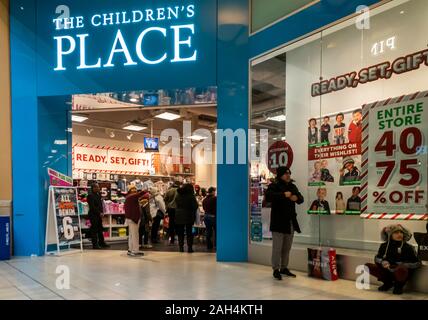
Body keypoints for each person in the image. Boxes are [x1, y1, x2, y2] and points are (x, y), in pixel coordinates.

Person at [265, 166, 304, 280]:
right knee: (277, 248)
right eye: (285, 174)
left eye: (289, 173)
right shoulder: (274, 185)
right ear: (280, 175)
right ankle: (275, 269)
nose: (288, 175)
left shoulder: (292, 186)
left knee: (287, 248)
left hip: (290, 222)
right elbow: (268, 197)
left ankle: (284, 267)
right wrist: (283, 195)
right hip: (278, 222)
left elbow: (301, 199)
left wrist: (296, 198)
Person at [365, 224, 421, 295]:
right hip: (387, 270)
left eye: (401, 232)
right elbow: (378, 258)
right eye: (396, 232)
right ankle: (388, 283)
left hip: (400, 271)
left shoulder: (408, 247)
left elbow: (417, 263)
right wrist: (383, 262)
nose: (399, 234)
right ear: (389, 235)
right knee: (368, 266)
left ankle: (399, 286)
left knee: (401, 269)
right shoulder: (384, 246)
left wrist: (401, 264)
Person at [175, 184, 199, 253]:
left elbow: (176, 203)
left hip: (179, 215)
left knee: (180, 232)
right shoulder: (191, 196)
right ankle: (189, 248)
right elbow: (195, 206)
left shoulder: (178, 195)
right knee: (189, 232)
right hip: (189, 215)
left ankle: (181, 248)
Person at [125, 185, 146, 257]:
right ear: (129, 190)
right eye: (132, 189)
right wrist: (146, 190)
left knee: (132, 235)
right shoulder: (131, 196)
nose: (134, 190)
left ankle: (131, 250)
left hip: (132, 218)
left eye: (135, 189)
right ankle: (135, 251)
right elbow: (139, 194)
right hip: (133, 219)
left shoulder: (129, 197)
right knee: (135, 235)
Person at [87, 183, 109, 249]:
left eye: (98, 187)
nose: (98, 188)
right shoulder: (90, 196)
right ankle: (95, 244)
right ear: (93, 188)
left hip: (99, 215)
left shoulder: (98, 195)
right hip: (93, 215)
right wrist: (99, 213)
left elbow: (100, 205)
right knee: (94, 230)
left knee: (100, 229)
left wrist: (102, 212)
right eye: (96, 187)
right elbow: (92, 207)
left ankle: (102, 242)